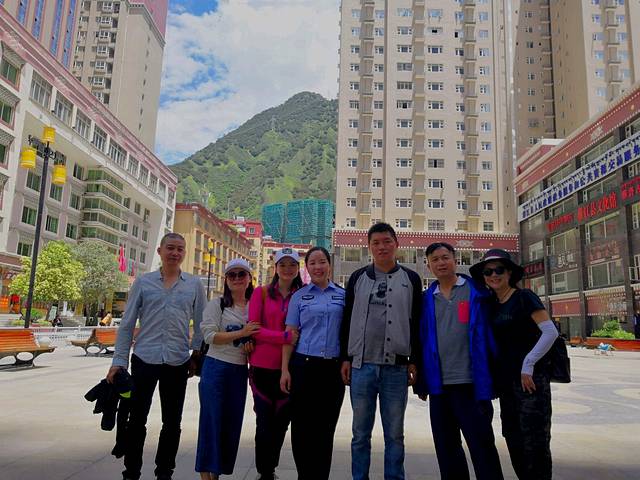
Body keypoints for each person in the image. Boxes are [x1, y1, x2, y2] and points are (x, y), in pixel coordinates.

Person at [107, 233, 207, 480]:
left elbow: (201, 323)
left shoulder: (194, 284)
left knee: (172, 422)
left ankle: (164, 472)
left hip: (177, 361)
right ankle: (131, 471)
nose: (175, 253)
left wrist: (196, 355)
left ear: (184, 253)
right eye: (170, 248)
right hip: (144, 359)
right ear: (160, 251)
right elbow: (127, 324)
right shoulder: (143, 282)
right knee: (136, 419)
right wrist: (118, 361)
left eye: (180, 249)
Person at [340, 222, 423, 480]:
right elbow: (347, 318)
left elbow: (417, 322)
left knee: (395, 435)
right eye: (375, 243)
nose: (382, 247)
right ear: (369, 247)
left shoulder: (411, 279)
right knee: (360, 434)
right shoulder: (357, 278)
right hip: (361, 366)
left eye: (387, 241)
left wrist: (414, 360)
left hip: (396, 368)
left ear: (396, 244)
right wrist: (346, 358)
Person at [416, 242, 503, 480]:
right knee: (447, 450)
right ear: (428, 265)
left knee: (482, 447)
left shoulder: (478, 293)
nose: (441, 263)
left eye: (445, 257)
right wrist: (422, 381)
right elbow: (421, 341)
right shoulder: (426, 299)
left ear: (455, 260)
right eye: (435, 259)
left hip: (472, 384)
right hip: (440, 387)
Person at [470, 249, 558, 480]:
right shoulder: (491, 304)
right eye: (488, 272)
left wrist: (528, 364)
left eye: (499, 270)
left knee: (534, 442)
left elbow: (550, 332)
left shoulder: (524, 297)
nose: (494, 275)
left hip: (530, 382)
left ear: (509, 273)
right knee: (512, 436)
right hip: (506, 384)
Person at [280, 246, 345, 479]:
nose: (318, 267)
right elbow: (290, 334)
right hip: (303, 367)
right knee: (301, 427)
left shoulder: (343, 295)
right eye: (313, 263)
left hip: (332, 369)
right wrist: (285, 369)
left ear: (330, 265)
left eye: (322, 262)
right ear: (306, 268)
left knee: (326, 429)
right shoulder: (299, 296)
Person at [196, 258, 260, 480]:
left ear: (249, 278)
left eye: (241, 274)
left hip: (239, 371)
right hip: (216, 367)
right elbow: (210, 336)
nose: (237, 279)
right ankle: (206, 476)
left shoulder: (254, 306)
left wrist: (250, 344)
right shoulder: (218, 305)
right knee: (210, 422)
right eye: (232, 275)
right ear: (226, 280)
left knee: (230, 424)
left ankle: (217, 474)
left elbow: (257, 336)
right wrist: (242, 333)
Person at [247, 248, 303, 480]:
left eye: (292, 264)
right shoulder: (260, 293)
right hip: (261, 367)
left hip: (290, 369)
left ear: (298, 268)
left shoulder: (302, 294)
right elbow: (253, 329)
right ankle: (264, 471)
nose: (287, 269)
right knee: (264, 421)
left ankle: (270, 467)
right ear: (275, 267)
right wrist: (284, 337)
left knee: (281, 422)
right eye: (283, 264)